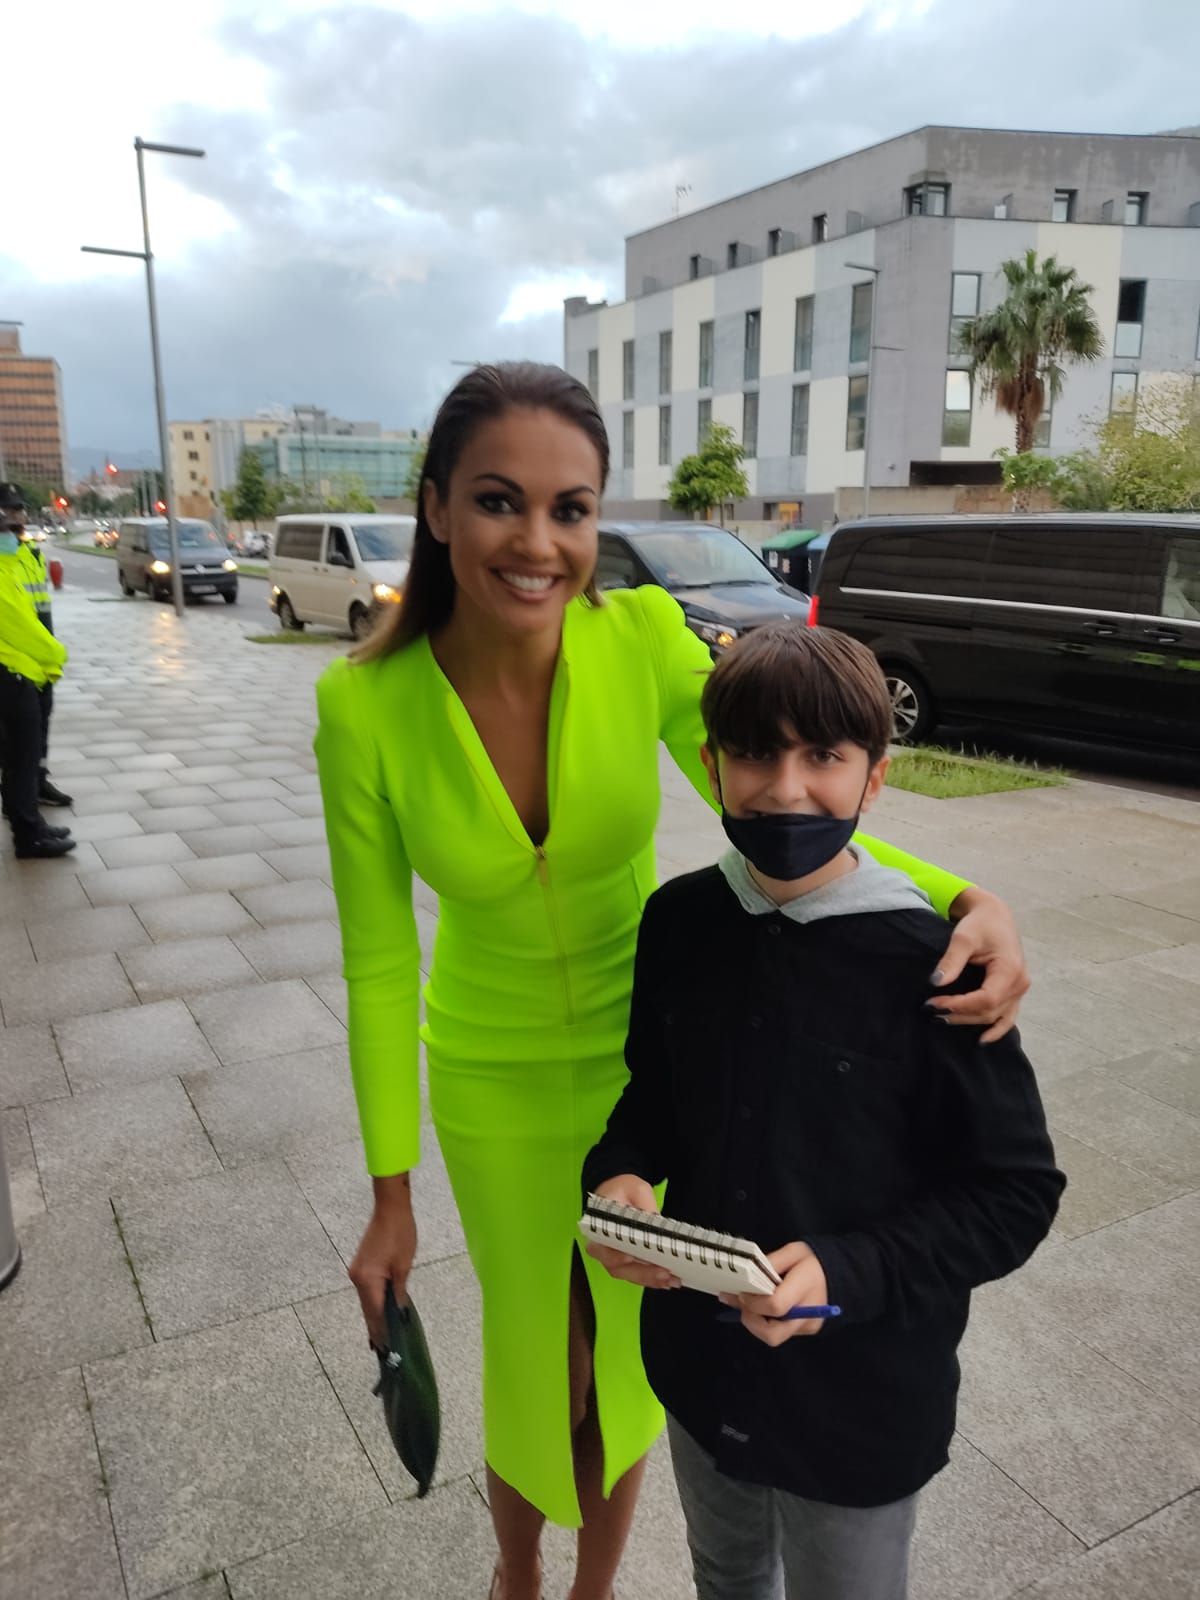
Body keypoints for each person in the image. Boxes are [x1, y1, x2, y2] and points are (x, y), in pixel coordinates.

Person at [313, 363, 1032, 1600]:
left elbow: (790, 786)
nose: (538, 542)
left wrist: (963, 894)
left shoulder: (640, 641)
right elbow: (377, 959)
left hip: (670, 1053)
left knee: (643, 1341)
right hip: (493, 1078)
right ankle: (518, 1574)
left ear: (598, 519)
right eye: (499, 500)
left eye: (572, 509)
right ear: (436, 508)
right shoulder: (362, 706)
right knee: (543, 1351)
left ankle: (592, 1586)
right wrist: (390, 1191)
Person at [583, 623, 1063, 1600]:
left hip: (863, 1395)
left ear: (874, 779)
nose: (787, 787)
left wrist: (852, 1266)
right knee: (724, 1574)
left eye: (824, 757)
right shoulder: (678, 922)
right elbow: (654, 1097)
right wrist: (622, 1172)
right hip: (700, 1369)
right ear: (712, 765)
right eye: (756, 753)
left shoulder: (934, 965)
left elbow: (1016, 1192)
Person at [0, 488, 74, 859]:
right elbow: (15, 623)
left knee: (22, 756)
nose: (14, 532)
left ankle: (30, 825)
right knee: (20, 756)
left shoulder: (17, 560)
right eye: (6, 527)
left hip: (24, 670)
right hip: (11, 673)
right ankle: (29, 835)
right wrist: (54, 655)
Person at [14, 507, 73, 808]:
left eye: (19, 511)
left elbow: (40, 608)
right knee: (17, 734)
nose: (17, 518)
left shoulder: (30, 553)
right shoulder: (7, 558)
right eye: (9, 513)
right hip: (14, 658)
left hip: (39, 653)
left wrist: (50, 654)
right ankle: (20, 801)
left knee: (39, 721)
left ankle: (38, 780)